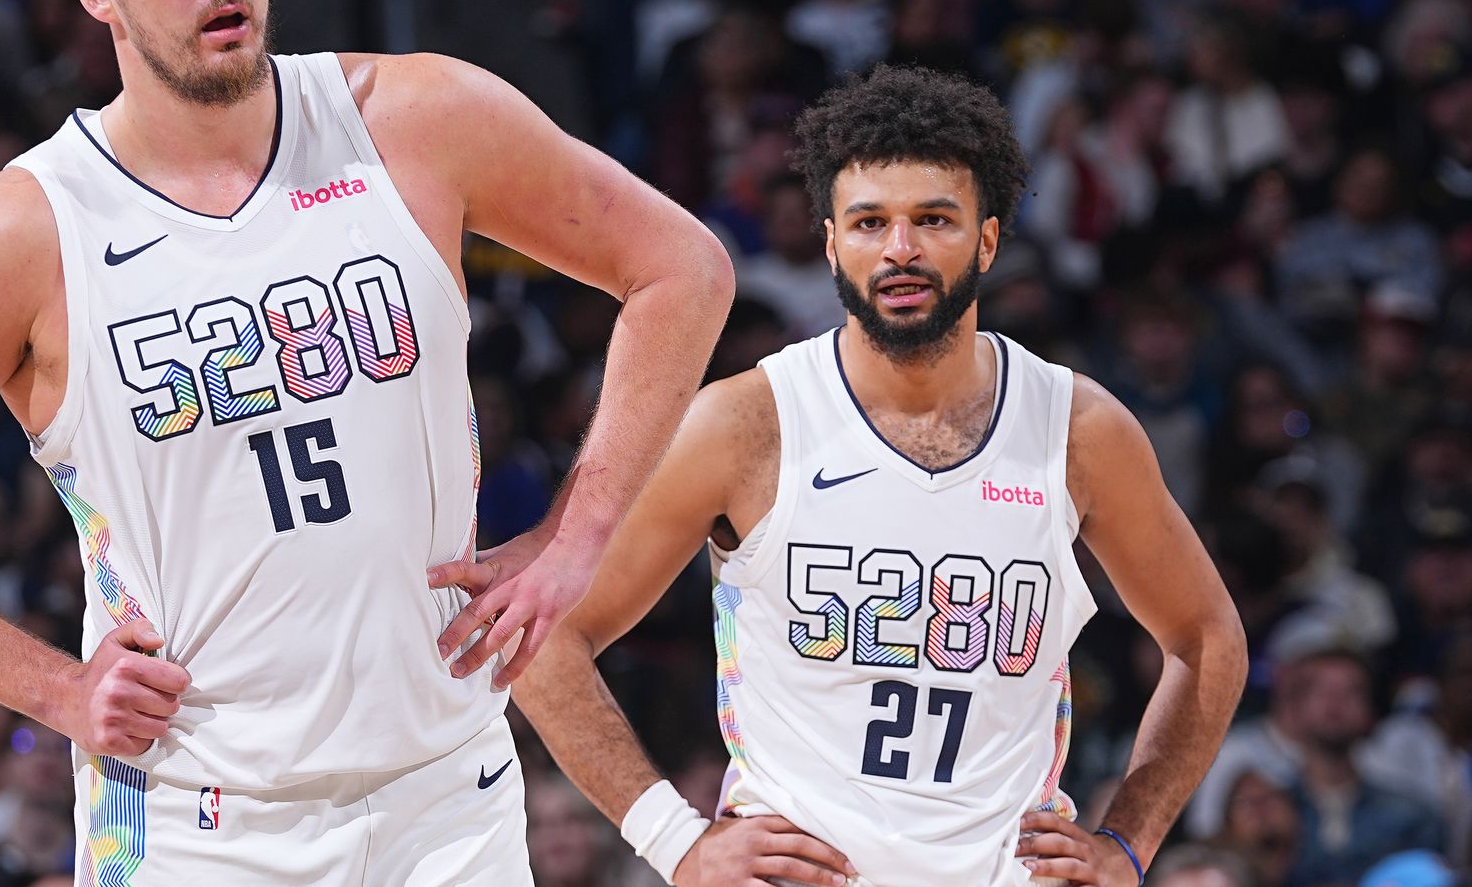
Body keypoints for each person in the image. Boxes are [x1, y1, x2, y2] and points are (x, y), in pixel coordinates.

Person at [0, 0, 733, 886]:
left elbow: (683, 270)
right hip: (199, 822)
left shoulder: (417, 119)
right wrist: (55, 691)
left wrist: (576, 535)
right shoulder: (17, 235)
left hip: (449, 799)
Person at [514, 65, 1248, 886]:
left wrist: (1129, 844)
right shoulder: (746, 425)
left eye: (933, 219)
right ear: (832, 244)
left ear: (988, 240)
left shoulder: (1077, 429)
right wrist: (673, 839)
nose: (901, 249)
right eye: (870, 223)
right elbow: (546, 638)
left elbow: (1207, 638)